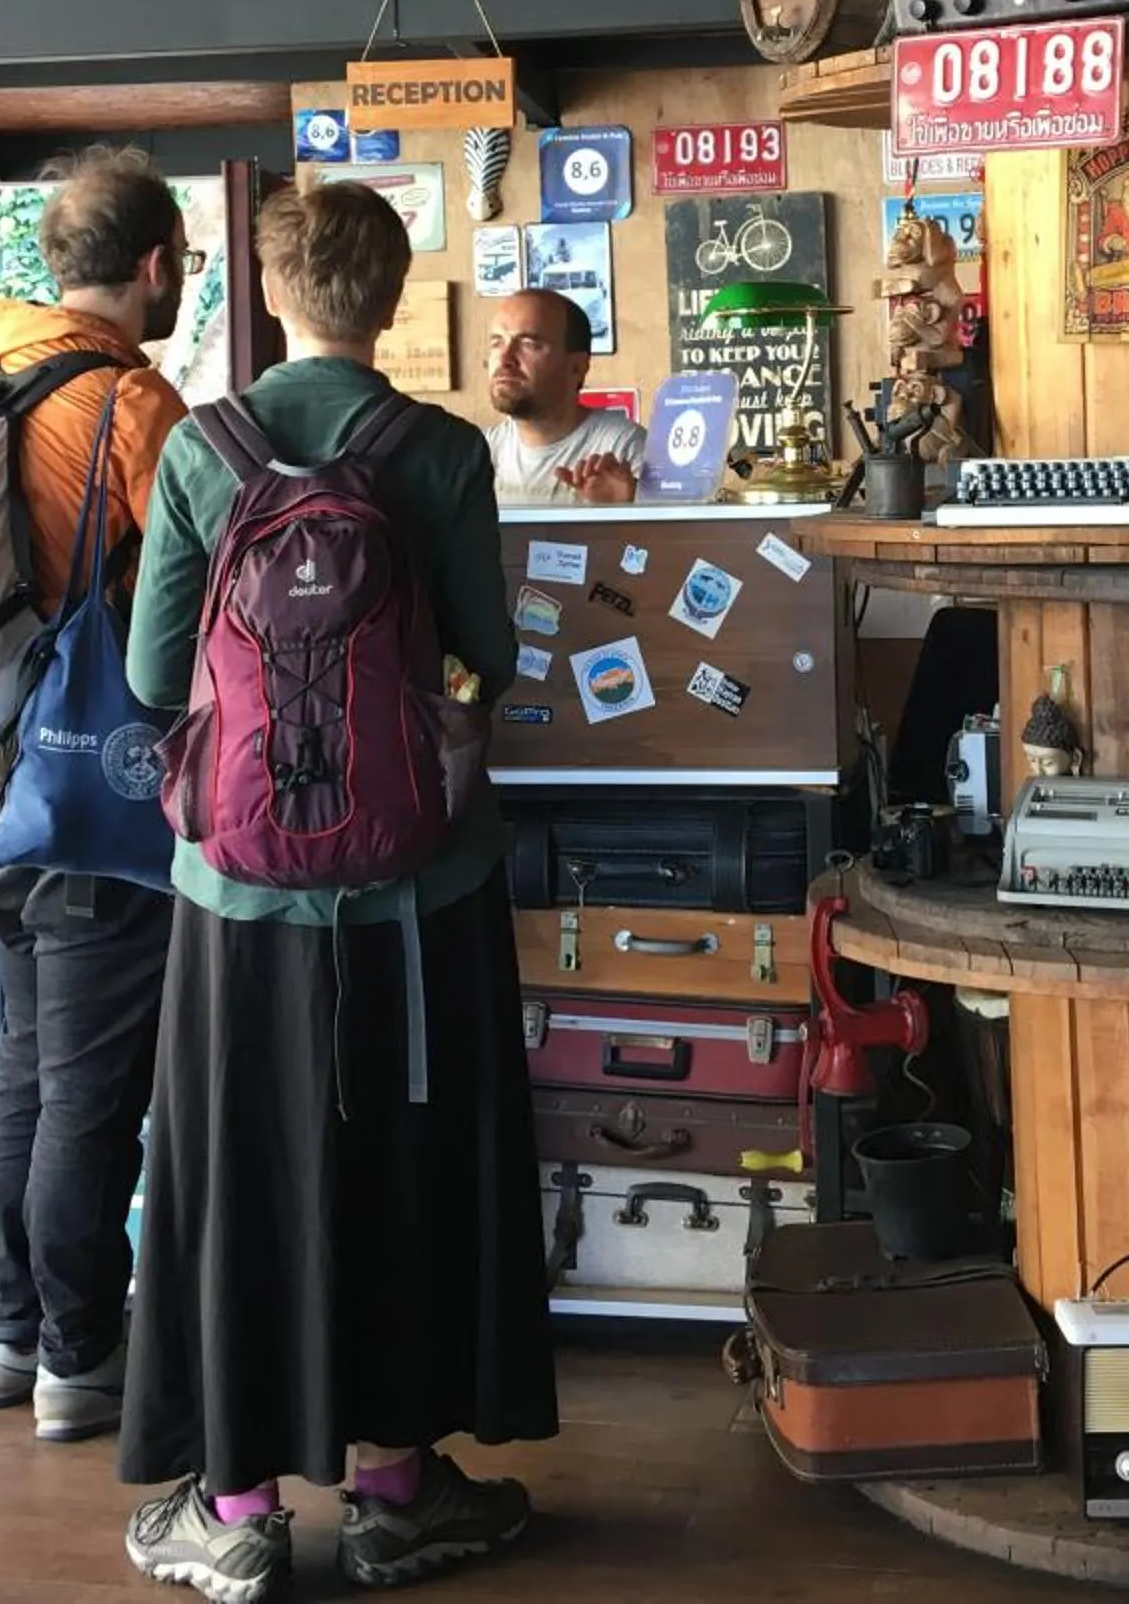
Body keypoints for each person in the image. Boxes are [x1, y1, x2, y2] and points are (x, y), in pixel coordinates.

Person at [118, 181, 556, 1599]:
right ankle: (393, 1489)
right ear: (392, 293)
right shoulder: (435, 450)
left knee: (243, 1171)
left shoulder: (200, 448)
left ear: (271, 288)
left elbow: (145, 675)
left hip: (239, 904)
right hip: (419, 891)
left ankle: (235, 1505)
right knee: (407, 1177)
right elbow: (488, 648)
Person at [0, 147, 192, 1444]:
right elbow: (195, 604)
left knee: (26, 1079)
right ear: (155, 263)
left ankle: (8, 1333)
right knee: (91, 1092)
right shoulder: (128, 405)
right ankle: (82, 1354)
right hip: (96, 785)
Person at [481, 288, 646, 502]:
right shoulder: (481, 454)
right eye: (497, 343)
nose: (505, 359)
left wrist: (625, 510)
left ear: (577, 367)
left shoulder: (623, 448)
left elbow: (681, 534)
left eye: (529, 344)